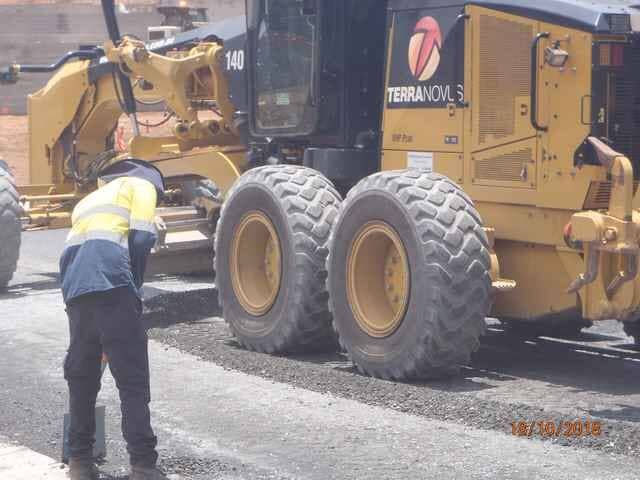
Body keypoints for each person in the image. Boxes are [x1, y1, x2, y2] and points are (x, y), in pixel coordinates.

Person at [60, 159, 169, 480]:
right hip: (113, 284)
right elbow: (141, 237)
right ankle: (144, 465)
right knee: (131, 378)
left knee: (82, 375)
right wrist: (133, 290)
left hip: (76, 287)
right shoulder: (143, 186)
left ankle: (80, 462)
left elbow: (72, 252)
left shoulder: (89, 200)